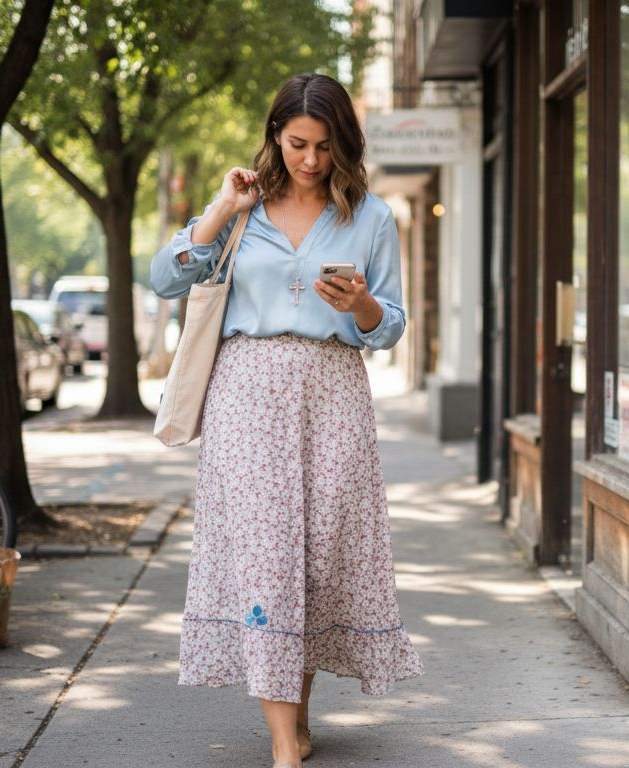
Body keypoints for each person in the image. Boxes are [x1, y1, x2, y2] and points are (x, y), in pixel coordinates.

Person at [150, 73, 424, 768]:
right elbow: (166, 277)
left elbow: (389, 325)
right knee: (269, 556)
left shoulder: (372, 217)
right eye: (298, 143)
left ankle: (296, 719)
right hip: (247, 393)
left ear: (344, 146)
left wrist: (360, 305)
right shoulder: (245, 210)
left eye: (325, 147)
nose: (309, 159)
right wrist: (218, 208)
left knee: (315, 560)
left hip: (333, 393)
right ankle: (283, 748)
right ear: (275, 135)